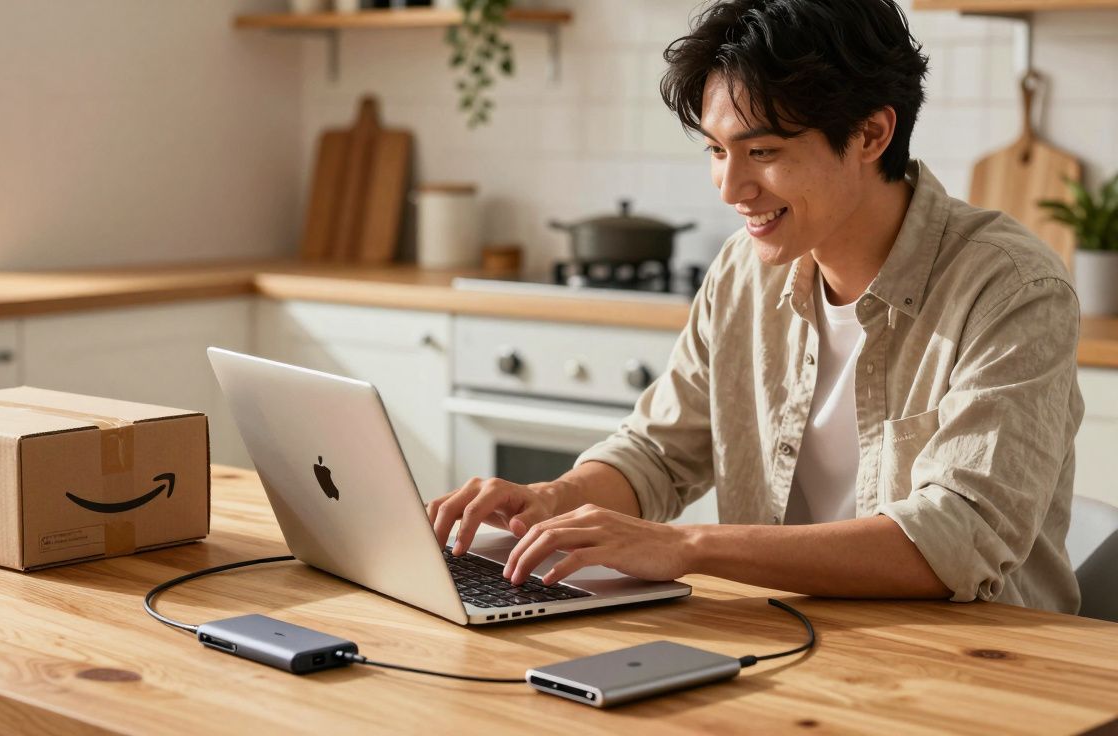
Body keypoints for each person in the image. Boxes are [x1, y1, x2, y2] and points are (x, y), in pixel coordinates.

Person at [427, 0, 1084, 614]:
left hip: (976, 673)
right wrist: (554, 499)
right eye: (717, 151)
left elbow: (957, 537)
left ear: (871, 133)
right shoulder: (745, 270)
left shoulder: (1011, 288)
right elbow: (659, 452)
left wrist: (688, 548)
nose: (731, 188)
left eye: (762, 152)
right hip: (788, 645)